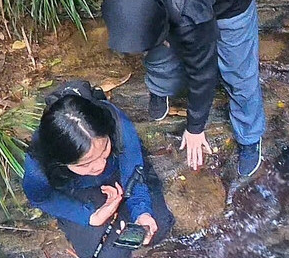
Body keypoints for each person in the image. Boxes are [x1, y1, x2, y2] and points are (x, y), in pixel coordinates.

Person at [101, 0, 265, 177]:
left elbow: (204, 73)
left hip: (231, 0)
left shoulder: (191, 16)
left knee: (238, 72)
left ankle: (250, 136)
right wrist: (156, 42)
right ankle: (160, 88)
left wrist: (195, 128)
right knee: (158, 54)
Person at [21, 81, 175, 257]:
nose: (99, 166)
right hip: (76, 190)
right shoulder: (39, 165)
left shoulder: (116, 124)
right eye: (85, 164)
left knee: (160, 225)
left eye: (104, 150)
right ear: (60, 162)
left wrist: (141, 212)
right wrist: (90, 216)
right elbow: (41, 198)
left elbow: (134, 171)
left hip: (118, 172)